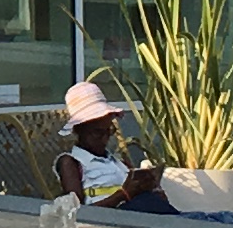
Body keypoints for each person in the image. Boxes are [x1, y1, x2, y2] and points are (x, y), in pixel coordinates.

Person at [53, 78, 176, 212]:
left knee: (190, 218)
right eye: (98, 132)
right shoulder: (71, 162)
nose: (105, 138)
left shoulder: (118, 162)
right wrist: (123, 194)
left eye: (109, 130)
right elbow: (78, 212)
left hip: (144, 211)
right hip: (116, 219)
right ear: (78, 130)